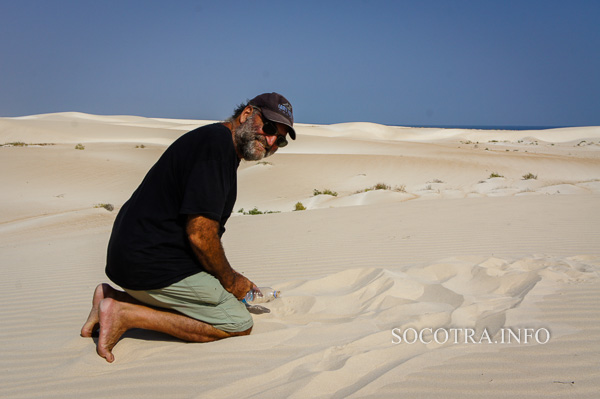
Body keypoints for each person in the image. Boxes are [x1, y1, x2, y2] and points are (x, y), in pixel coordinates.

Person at [80, 93, 295, 363]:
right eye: (270, 128)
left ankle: (110, 296)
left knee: (222, 292)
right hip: (150, 263)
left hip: (136, 258)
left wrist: (230, 277)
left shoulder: (216, 144)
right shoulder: (216, 149)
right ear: (247, 114)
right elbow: (200, 235)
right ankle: (125, 314)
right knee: (238, 322)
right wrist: (231, 281)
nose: (273, 140)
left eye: (282, 139)